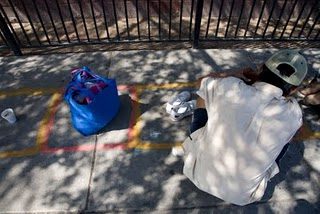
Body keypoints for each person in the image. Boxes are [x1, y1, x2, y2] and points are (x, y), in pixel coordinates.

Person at [174, 50, 308, 206]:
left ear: (261, 68)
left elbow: (201, 81)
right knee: (286, 137)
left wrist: (236, 74)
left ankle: (192, 138)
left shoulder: (229, 86)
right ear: (293, 89)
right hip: (244, 196)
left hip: (196, 173)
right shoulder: (294, 113)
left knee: (205, 94)